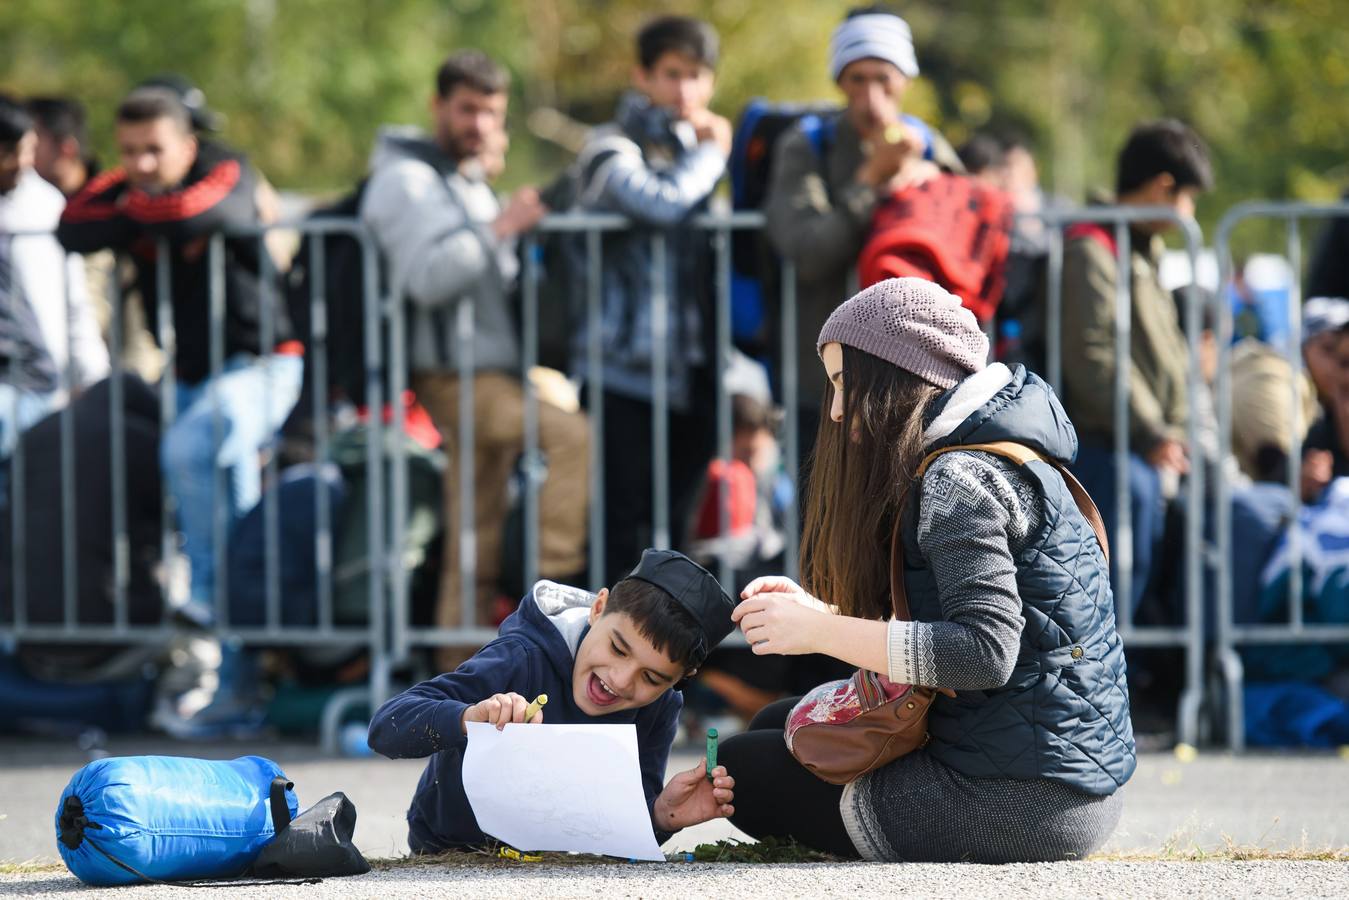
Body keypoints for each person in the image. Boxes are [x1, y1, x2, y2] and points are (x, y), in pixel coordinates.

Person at [719, 277, 1134, 862]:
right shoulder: (1007, 450)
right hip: (1068, 785)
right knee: (776, 720)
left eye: (845, 384)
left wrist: (816, 634)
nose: (836, 411)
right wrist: (822, 615)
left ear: (894, 375)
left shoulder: (959, 479)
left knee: (741, 767)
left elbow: (984, 654)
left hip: (1021, 803)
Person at [360, 50, 589, 660]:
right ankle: (554, 608)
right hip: (454, 376)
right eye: (467, 109)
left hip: (483, 374)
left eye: (492, 112)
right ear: (437, 107)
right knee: (569, 437)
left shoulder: (457, 179)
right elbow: (428, 277)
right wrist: (501, 225)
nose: (481, 124)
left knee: (473, 531)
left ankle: (455, 669)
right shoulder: (404, 181)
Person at [57, 87, 303, 609]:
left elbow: (194, 212)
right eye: (129, 151)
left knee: (190, 447)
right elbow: (73, 223)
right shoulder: (135, 187)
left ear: (188, 146)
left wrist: (132, 215)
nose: (140, 164)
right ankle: (234, 660)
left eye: (154, 149)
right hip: (191, 377)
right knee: (223, 510)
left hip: (261, 365)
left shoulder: (228, 166)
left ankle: (210, 599)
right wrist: (149, 211)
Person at [367, 549, 738, 852]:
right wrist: (469, 717)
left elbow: (620, 830)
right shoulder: (520, 657)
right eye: (617, 648)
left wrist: (660, 816)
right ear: (598, 608)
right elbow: (386, 728)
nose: (620, 680)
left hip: (558, 864)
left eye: (652, 677)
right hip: (451, 847)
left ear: (680, 679)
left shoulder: (660, 706)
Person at [570, 15, 731, 584]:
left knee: (674, 529)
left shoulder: (695, 150)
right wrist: (713, 156)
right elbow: (660, 202)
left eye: (695, 75)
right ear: (642, 76)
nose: (684, 90)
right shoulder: (608, 145)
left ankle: (662, 665)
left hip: (691, 369)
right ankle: (601, 660)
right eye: (670, 74)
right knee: (621, 526)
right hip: (622, 370)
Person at [764, 6, 962, 458]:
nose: (872, 95)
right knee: (822, 522)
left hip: (915, 379)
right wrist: (871, 179)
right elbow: (808, 250)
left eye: (884, 78)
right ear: (839, 82)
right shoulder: (807, 146)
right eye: (858, 79)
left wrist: (930, 180)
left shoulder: (930, 146)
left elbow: (968, 246)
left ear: (906, 80)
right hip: (825, 383)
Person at [1059, 119, 1212, 614]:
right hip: (1106, 441)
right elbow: (1093, 356)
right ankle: (1115, 655)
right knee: (1135, 507)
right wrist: (1151, 434)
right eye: (1187, 198)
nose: (1189, 214)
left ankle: (1156, 664)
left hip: (1149, 439)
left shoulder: (1143, 250)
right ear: (1163, 187)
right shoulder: (1092, 249)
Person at [27, 95, 163, 383]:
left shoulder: (109, 204)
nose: (25, 154)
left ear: (66, 148)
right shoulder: (31, 208)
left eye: (34, 143)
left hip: (122, 364)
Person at [0, 95, 108, 419]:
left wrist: (95, 381)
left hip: (39, 387)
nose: (24, 162)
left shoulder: (46, 205)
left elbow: (74, 304)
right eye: (13, 153)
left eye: (30, 149)